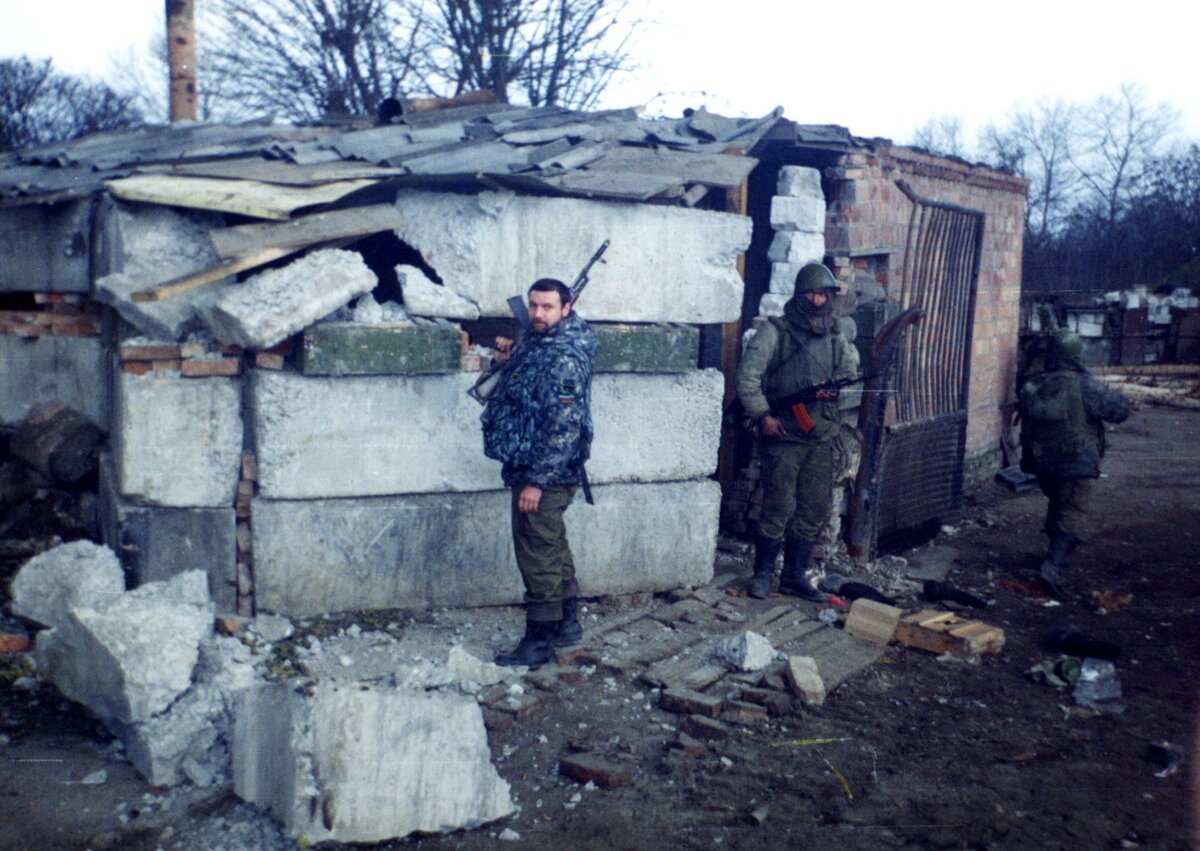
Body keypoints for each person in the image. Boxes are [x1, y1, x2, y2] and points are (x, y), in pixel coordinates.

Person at [481, 278, 596, 668]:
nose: (537, 314)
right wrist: (507, 359)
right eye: (533, 305)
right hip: (531, 466)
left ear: (567, 308)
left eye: (547, 307)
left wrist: (537, 482)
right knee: (552, 546)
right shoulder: (539, 341)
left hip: (546, 472)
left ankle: (538, 642)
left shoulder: (564, 358)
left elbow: (564, 426)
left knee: (537, 553)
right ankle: (566, 629)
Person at [736, 262, 860, 600]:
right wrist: (763, 415)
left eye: (824, 294)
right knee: (778, 506)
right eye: (812, 294)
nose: (818, 300)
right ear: (800, 295)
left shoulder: (836, 336)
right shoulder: (775, 332)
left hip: (820, 437)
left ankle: (793, 576)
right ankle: (762, 574)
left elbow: (850, 374)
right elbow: (747, 378)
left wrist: (836, 390)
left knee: (814, 508)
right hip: (783, 436)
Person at [1019, 328, 1131, 596]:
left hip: (1043, 463)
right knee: (1073, 513)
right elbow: (1120, 411)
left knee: (1059, 503)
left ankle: (1052, 554)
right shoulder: (1085, 385)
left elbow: (1027, 426)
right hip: (1076, 462)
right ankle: (1053, 569)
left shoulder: (1033, 384)